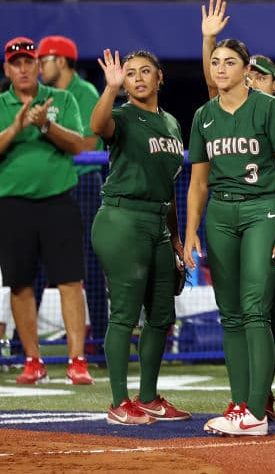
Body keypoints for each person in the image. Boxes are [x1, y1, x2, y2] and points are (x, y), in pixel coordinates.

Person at [182, 36, 275, 437]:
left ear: (246, 70)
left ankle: (255, 409)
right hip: (219, 212)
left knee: (254, 308)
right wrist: (190, 232)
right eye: (215, 61)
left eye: (229, 62)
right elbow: (198, 182)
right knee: (230, 314)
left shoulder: (269, 108)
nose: (220, 68)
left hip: (262, 209)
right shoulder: (204, 115)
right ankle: (240, 405)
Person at [90, 48, 191, 425]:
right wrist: (109, 90)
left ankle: (147, 397)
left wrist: (176, 237)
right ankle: (119, 403)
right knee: (125, 314)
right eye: (130, 73)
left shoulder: (171, 124)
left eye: (145, 71)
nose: (137, 77)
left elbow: (169, 188)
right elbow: (98, 126)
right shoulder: (122, 115)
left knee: (162, 315)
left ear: (159, 77)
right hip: (122, 219)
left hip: (158, 227)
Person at [0, 36, 94, 385]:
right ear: (8, 69)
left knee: (71, 281)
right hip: (12, 204)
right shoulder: (0, 104)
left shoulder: (63, 99)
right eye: (16, 63)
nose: (23, 68)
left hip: (58, 200)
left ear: (38, 66)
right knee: (20, 285)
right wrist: (17, 127)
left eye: (29, 61)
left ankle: (77, 361)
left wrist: (45, 125)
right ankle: (32, 361)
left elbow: (79, 145)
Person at [38, 35, 109, 352]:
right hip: (48, 186)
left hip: (82, 185)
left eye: (44, 59)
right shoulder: (41, 95)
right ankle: (22, 347)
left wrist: (49, 137)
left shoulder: (85, 92)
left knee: (91, 265)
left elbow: (90, 145)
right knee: (38, 264)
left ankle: (99, 344)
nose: (39, 66)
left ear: (62, 60)